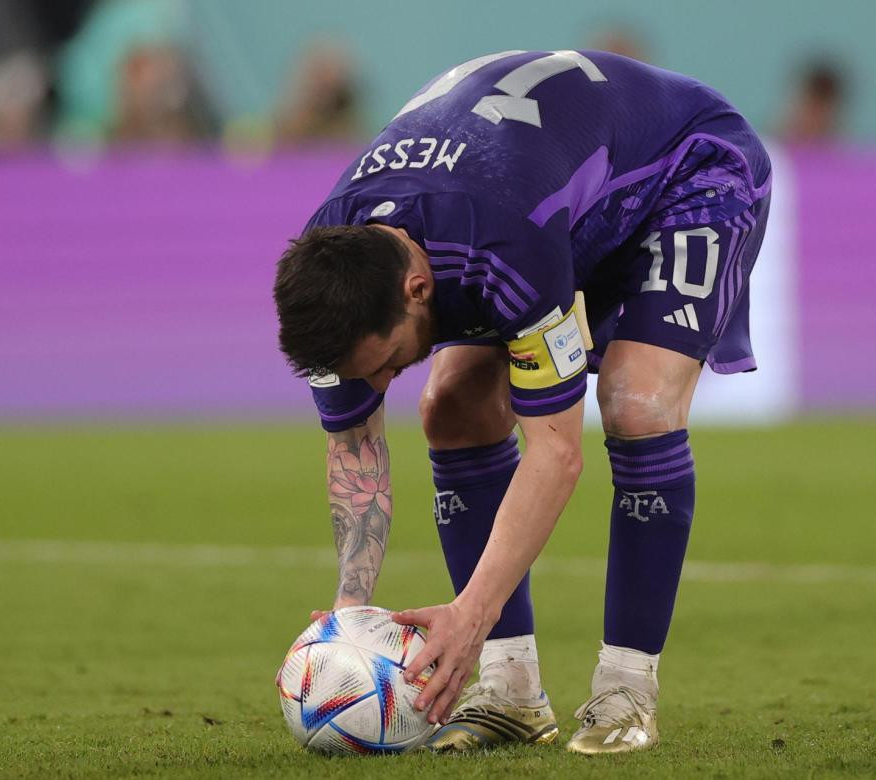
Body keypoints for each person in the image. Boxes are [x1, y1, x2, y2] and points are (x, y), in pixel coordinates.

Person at [273, 50, 770, 755]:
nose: (379, 383)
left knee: (636, 402)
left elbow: (556, 452)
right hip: (554, 196)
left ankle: (626, 689)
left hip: (683, 172)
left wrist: (469, 614)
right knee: (449, 408)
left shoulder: (500, 246)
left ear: (418, 290)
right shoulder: (337, 260)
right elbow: (355, 444)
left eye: (385, 364)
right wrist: (349, 616)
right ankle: (511, 694)